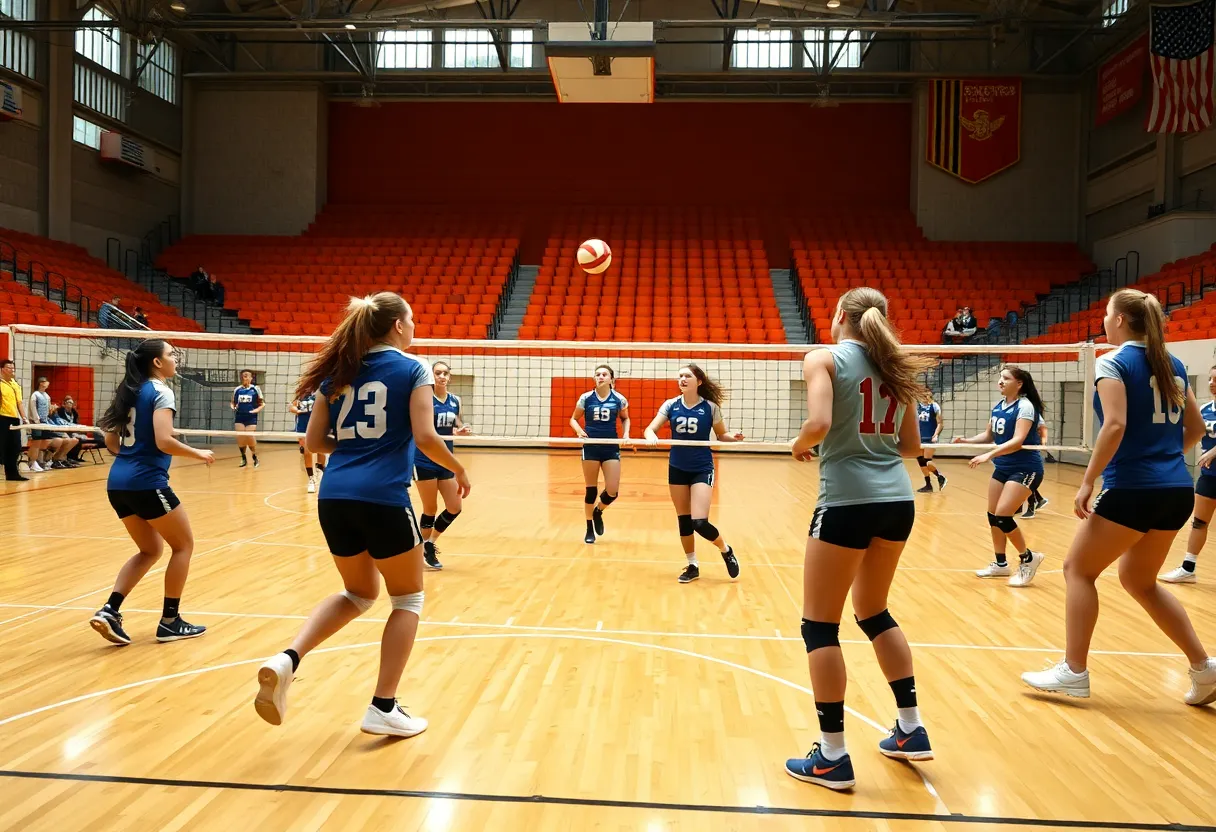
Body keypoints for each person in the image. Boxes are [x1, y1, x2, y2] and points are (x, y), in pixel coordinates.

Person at [253, 292, 471, 737]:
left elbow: (314, 443)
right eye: (412, 319)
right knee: (407, 599)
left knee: (357, 592)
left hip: (334, 496)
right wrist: (459, 467)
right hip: (383, 497)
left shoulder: (337, 371)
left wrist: (356, 450)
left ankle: (287, 659)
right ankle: (383, 706)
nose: (414, 327)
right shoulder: (414, 368)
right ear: (396, 326)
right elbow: (427, 437)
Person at [1022, 289, 1216, 705]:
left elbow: (1114, 425)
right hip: (1176, 489)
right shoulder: (1174, 363)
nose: (1103, 321)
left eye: (1107, 314)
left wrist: (1088, 480)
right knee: (1139, 581)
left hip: (1134, 488)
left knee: (1077, 570)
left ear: (1121, 321)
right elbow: (1197, 429)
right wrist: (1163, 457)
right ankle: (1204, 668)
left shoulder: (1113, 362)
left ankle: (1074, 671)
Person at [783, 287, 936, 791]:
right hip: (898, 500)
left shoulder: (822, 357)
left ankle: (831, 756)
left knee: (819, 626)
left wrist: (800, 443)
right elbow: (912, 445)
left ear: (842, 316)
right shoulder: (896, 365)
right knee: (873, 610)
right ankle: (911, 728)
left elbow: (819, 423)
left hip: (847, 500)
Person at [88, 339, 215, 646]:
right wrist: (199, 453)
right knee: (183, 546)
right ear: (157, 362)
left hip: (118, 483)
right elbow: (163, 440)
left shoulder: (128, 391)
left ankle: (110, 610)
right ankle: (170, 621)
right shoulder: (161, 391)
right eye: (171, 354)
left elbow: (110, 440)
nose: (175, 359)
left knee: (150, 550)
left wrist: (131, 460)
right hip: (147, 482)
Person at [644, 364, 744, 584]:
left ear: (698, 381)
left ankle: (725, 550)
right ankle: (692, 565)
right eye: (679, 376)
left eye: (687, 376)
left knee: (699, 522)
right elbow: (650, 429)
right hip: (677, 467)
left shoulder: (710, 407)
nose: (682, 379)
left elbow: (721, 435)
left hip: (701, 468)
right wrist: (651, 435)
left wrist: (732, 437)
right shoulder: (670, 405)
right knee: (684, 520)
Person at [952, 365, 1045, 588]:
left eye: (1006, 378)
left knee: (1004, 515)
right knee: (993, 515)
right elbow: (988, 435)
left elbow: (1018, 440)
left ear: (1019, 383)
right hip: (1003, 467)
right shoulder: (998, 407)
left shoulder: (1025, 406)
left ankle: (1029, 558)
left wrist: (988, 454)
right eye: (1000, 378)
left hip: (1025, 468)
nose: (1000, 382)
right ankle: (1001, 564)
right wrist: (967, 441)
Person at [414, 360, 472, 570]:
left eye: (445, 373)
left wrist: (461, 430)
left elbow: (455, 423)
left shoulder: (455, 400)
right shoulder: (424, 399)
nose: (442, 376)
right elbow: (424, 429)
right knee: (430, 508)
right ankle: (422, 549)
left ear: (450, 377)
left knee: (455, 507)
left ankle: (430, 543)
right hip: (424, 458)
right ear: (432, 376)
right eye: (438, 373)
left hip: (446, 459)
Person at [1162, 365, 1216, 584]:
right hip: (1210, 476)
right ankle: (1188, 568)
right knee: (1199, 522)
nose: (1212, 383)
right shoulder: (1205, 409)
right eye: (1211, 379)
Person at [570, 364, 630, 544]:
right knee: (591, 490)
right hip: (591, 447)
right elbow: (573, 419)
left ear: (611, 378)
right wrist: (579, 431)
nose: (600, 377)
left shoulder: (619, 399)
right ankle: (589, 527)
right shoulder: (586, 398)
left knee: (612, 491)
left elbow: (625, 418)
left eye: (604, 374)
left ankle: (598, 511)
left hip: (610, 446)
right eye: (597, 374)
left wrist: (626, 434)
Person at [27, 377, 68, 472]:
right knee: (36, 442)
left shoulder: (47, 396)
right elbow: (33, 408)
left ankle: (43, 460)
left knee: (51, 441)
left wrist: (53, 408)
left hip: (45, 422)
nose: (48, 383)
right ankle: (32, 462)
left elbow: (49, 411)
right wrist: (36, 421)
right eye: (46, 382)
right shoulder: (35, 395)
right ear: (41, 383)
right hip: (37, 423)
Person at [290, 391, 327, 493]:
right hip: (303, 426)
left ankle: (320, 469)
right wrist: (297, 411)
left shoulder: (321, 392)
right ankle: (311, 479)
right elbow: (292, 407)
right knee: (307, 451)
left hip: (317, 424)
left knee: (320, 449)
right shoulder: (301, 394)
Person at [0, 359, 29, 481]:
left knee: (15, 446)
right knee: (1, 446)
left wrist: (24, 417)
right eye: (9, 367)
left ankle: (12, 474)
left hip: (14, 419)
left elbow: (19, 403)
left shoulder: (15, 385)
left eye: (13, 368)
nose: (12, 370)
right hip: (1, 418)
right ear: (2, 369)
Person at [915, 393, 947, 493]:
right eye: (922, 394)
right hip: (920, 438)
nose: (924, 396)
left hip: (930, 438)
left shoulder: (934, 406)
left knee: (927, 461)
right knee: (921, 461)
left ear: (930, 395)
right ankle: (928, 485)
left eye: (926, 394)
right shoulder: (918, 407)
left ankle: (940, 476)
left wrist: (936, 434)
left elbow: (940, 423)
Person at [231, 370, 264, 468]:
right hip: (240, 416)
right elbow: (233, 402)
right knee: (241, 437)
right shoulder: (237, 389)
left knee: (249, 436)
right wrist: (233, 407)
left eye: (246, 376)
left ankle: (254, 456)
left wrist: (256, 410)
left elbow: (262, 404)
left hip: (251, 417)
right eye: (243, 376)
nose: (244, 378)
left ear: (251, 378)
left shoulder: (255, 389)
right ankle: (243, 457)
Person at [1021, 423, 1052, 519]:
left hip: (1031, 457)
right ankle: (1039, 499)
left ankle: (1031, 507)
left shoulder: (1032, 413)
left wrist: (1043, 442)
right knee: (1023, 480)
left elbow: (1043, 428)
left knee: (1026, 482)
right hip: (1022, 454)